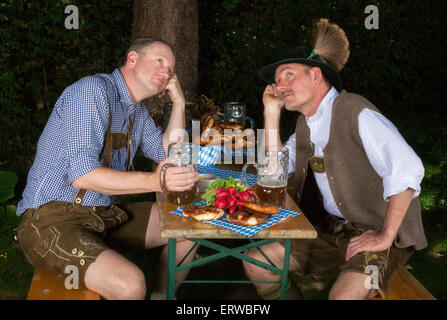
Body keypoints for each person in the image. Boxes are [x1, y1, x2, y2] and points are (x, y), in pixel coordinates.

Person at [243, 19, 427, 300]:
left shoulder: (354, 111)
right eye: (277, 80)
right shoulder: (307, 124)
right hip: (333, 229)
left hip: (379, 232)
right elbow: (273, 173)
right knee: (258, 263)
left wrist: (385, 235)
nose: (280, 86)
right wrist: (271, 112)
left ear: (315, 76)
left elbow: (407, 169)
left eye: (288, 75)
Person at [16, 38, 199, 300]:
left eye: (170, 68)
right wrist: (155, 181)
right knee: (130, 284)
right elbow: (82, 175)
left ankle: (161, 296)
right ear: (132, 58)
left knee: (189, 224)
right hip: (51, 221)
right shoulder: (91, 92)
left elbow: (169, 155)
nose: (166, 71)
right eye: (159, 61)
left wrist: (179, 104)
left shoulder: (136, 112)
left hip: (103, 215)